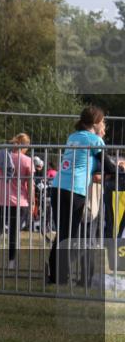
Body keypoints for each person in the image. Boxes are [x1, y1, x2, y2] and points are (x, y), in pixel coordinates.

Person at [47, 106, 125, 285]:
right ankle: (60, 275)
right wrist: (119, 169)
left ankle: (54, 275)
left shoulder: (73, 136)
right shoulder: (95, 140)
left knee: (62, 234)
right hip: (75, 189)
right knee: (72, 236)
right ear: (96, 122)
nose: (104, 124)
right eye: (103, 121)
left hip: (58, 186)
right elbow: (108, 166)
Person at [0, 133, 34, 269]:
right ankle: (11, 262)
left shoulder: (0, 157)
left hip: (0, 200)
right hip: (20, 202)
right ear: (25, 146)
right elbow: (30, 184)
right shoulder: (27, 160)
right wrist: (32, 200)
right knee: (14, 232)